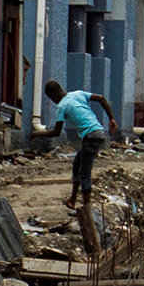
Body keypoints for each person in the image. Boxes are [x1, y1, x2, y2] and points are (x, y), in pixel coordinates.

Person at [43, 79, 108, 210]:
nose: (53, 101)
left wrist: (37, 134)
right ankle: (72, 200)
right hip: (99, 132)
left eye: (51, 98)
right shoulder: (77, 94)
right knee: (78, 163)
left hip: (91, 136)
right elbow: (101, 98)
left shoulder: (62, 106)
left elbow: (56, 132)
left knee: (85, 171)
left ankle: (87, 207)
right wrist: (111, 118)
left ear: (54, 94)